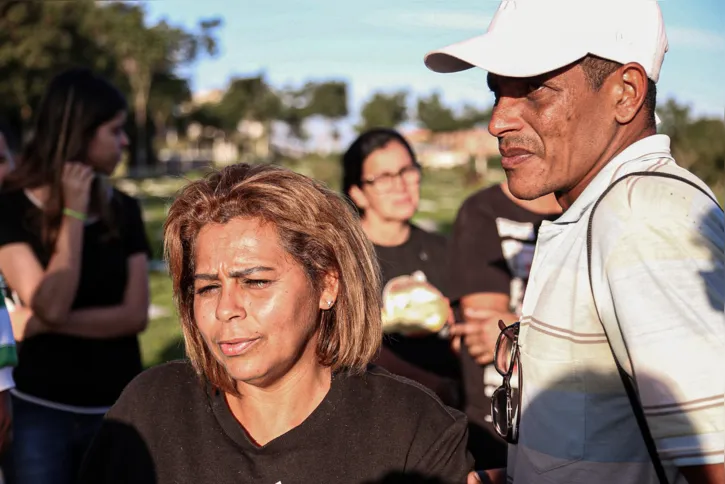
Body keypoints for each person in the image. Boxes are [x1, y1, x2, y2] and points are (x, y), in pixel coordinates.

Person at [424, 1, 724, 483]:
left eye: (535, 90)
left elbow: (714, 458)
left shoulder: (639, 217)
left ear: (625, 93)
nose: (498, 121)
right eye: (497, 92)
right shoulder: (604, 211)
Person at [78, 163, 474, 484]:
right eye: (208, 288)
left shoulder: (413, 430)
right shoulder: (150, 410)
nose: (226, 309)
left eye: (255, 282)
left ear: (327, 284)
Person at [0, 68, 150, 484]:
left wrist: (40, 324)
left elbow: (134, 315)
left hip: (120, 408)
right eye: (114, 130)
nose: (124, 141)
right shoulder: (10, 208)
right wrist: (74, 211)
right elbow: (52, 301)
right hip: (39, 411)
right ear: (80, 132)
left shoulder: (124, 209)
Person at [341, 128, 462, 408]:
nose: (401, 185)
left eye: (407, 170)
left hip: (442, 407)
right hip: (368, 407)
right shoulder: (341, 258)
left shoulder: (445, 250)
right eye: (384, 177)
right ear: (358, 193)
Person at [446, 182, 560, 470]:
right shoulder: (482, 210)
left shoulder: (594, 211)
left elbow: (505, 337)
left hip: (565, 421)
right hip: (496, 420)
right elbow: (488, 338)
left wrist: (517, 333)